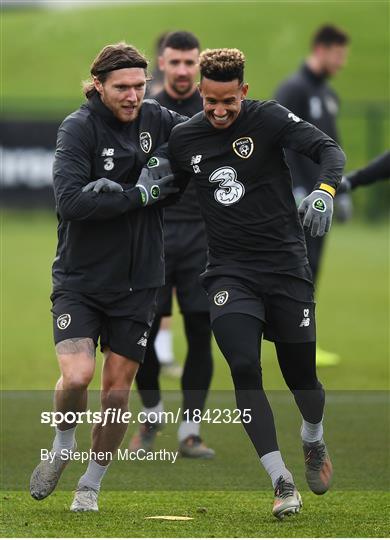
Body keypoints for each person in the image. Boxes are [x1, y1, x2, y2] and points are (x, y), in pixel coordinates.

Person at [168, 48, 345, 519]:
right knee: (244, 366)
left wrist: (325, 193)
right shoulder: (186, 138)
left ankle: (313, 438)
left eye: (228, 101)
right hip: (229, 272)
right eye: (210, 102)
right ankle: (281, 480)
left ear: (243, 91)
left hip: (286, 266)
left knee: (301, 378)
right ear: (201, 95)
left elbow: (329, 150)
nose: (219, 111)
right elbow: (168, 189)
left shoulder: (268, 119)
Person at [29, 42, 186, 512]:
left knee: (116, 390)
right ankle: (61, 445)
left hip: (140, 281)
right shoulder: (78, 129)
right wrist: (136, 195)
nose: (134, 95)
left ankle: (90, 485)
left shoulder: (158, 120)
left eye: (140, 86)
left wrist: (173, 171)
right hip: (81, 278)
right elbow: (70, 203)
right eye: (122, 87)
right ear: (98, 85)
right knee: (76, 376)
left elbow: (203, 139)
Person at [130, 31, 215, 458]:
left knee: (202, 333)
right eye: (175, 62)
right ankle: (152, 415)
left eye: (190, 62)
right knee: (142, 334)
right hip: (156, 237)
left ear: (198, 64)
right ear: (161, 64)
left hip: (204, 240)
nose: (183, 70)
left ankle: (190, 431)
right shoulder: (146, 112)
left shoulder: (214, 108)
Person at [275, 24, 351, 366]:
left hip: (323, 197)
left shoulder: (328, 95)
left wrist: (338, 188)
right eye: (339, 54)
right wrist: (295, 188)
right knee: (299, 270)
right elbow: (280, 143)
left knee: (312, 267)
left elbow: (332, 147)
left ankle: (303, 340)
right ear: (321, 49)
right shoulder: (294, 89)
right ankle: (297, 341)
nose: (343, 62)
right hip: (301, 200)